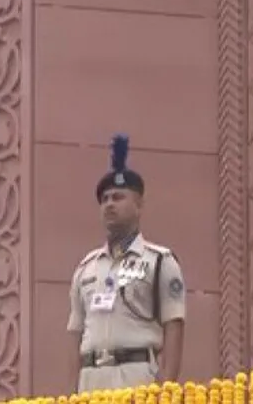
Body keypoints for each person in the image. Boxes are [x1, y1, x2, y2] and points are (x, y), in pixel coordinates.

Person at [68, 134, 185, 392]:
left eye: (118, 197)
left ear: (139, 205)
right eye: (105, 199)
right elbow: (76, 334)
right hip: (91, 380)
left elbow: (174, 326)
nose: (109, 204)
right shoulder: (86, 268)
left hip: (137, 378)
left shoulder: (160, 261)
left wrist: (166, 390)